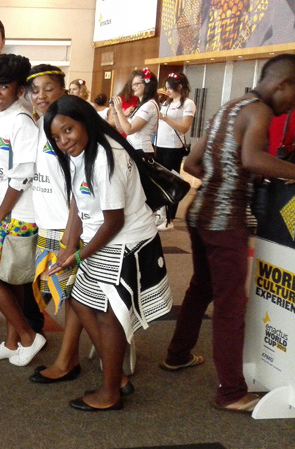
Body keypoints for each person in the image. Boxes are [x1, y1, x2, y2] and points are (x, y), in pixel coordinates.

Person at [161, 54, 295, 413]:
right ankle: (232, 392)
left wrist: (226, 176)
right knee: (231, 305)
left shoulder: (230, 107)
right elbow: (252, 159)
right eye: (293, 98)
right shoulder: (260, 111)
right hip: (226, 221)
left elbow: (192, 163)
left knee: (201, 288)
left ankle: (177, 354)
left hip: (199, 213)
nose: (290, 108)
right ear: (282, 84)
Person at [46, 95, 173, 411]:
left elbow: (114, 221)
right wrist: (69, 245)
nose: (63, 141)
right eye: (56, 137)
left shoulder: (105, 157)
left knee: (108, 316)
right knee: (80, 301)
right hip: (101, 241)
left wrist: (78, 256)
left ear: (85, 122)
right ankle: (118, 378)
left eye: (68, 130)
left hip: (124, 243)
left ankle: (109, 392)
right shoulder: (81, 152)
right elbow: (79, 200)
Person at [0, 54, 46, 366]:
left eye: (4, 87)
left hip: (21, 215)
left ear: (19, 91)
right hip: (6, 212)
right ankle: (11, 341)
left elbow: (21, 177)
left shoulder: (21, 121)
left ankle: (29, 337)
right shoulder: (1, 116)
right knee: (9, 280)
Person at [24, 65, 83, 384]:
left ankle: (67, 361)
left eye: (49, 88)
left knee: (74, 298)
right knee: (63, 294)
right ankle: (71, 357)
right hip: (47, 225)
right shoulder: (39, 124)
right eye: (35, 90)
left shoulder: (67, 127)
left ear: (63, 91)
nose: (41, 95)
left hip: (67, 226)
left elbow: (79, 188)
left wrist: (70, 239)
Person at [156, 72, 196, 231]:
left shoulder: (188, 104)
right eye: (166, 88)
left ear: (179, 87)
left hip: (173, 147)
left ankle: (170, 217)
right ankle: (161, 214)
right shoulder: (166, 102)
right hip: (159, 144)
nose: (167, 91)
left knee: (172, 181)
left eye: (170, 88)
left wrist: (165, 118)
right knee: (159, 180)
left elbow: (184, 128)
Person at [112, 68, 159, 156]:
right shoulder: (141, 105)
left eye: (136, 84)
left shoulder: (149, 105)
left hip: (142, 151)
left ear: (147, 84)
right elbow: (121, 128)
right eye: (132, 85)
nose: (133, 87)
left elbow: (129, 130)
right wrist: (115, 111)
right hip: (134, 149)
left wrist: (119, 110)